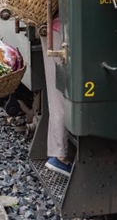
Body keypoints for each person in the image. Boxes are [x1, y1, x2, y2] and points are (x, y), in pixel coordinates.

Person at [41, 17, 72, 176]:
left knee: (56, 97)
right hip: (62, 32)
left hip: (50, 29)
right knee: (62, 97)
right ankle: (60, 155)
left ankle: (57, 153)